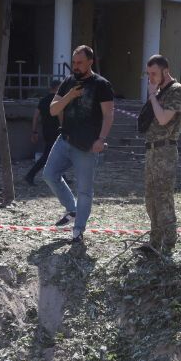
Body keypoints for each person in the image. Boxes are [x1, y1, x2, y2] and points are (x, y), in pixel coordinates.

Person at [44, 45, 115, 242]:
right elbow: (52, 110)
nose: (75, 66)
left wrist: (101, 139)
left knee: (84, 190)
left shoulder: (102, 85)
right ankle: (72, 209)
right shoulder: (68, 82)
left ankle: (78, 230)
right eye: (74, 62)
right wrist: (70, 96)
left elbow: (109, 114)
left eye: (79, 63)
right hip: (64, 139)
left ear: (90, 62)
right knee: (49, 175)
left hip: (87, 146)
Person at [138, 54, 181, 257]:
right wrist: (154, 94)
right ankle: (154, 242)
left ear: (165, 71)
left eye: (154, 73)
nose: (150, 78)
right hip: (152, 150)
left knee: (163, 197)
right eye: (148, 74)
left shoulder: (176, 90)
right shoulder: (159, 91)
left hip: (165, 150)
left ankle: (168, 243)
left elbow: (164, 119)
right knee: (151, 199)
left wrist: (152, 95)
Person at [26, 78, 62, 186]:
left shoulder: (43, 100)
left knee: (59, 154)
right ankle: (30, 175)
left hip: (46, 131)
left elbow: (35, 116)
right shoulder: (58, 100)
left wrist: (34, 131)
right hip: (56, 131)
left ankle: (61, 177)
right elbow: (61, 116)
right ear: (58, 88)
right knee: (48, 156)